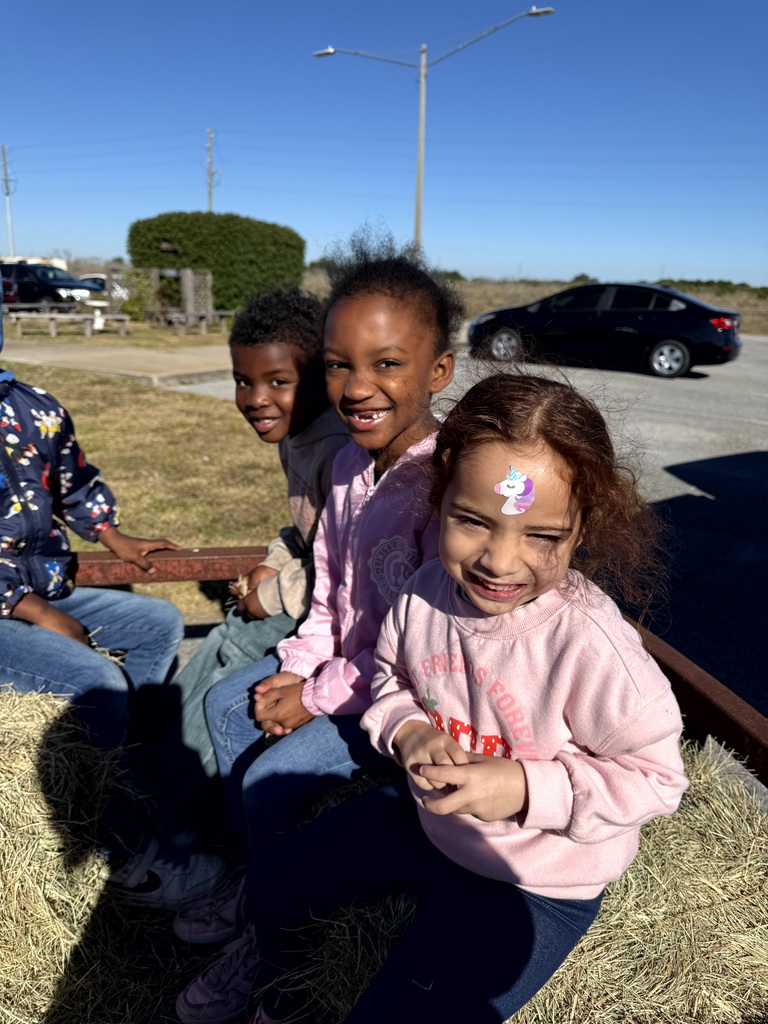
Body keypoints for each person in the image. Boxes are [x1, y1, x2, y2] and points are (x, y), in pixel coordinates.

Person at [208, 373, 688, 1024]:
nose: (500, 560)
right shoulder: (424, 591)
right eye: (472, 522)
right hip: (428, 824)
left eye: (541, 535)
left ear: (582, 529)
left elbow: (658, 780)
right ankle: (280, 990)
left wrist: (524, 789)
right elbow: (390, 679)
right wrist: (407, 731)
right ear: (439, 501)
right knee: (276, 879)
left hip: (536, 882)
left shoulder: (590, 646)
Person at [174, 237, 463, 1024]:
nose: (357, 388)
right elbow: (333, 596)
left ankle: (276, 953)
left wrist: (317, 694)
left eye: (386, 364)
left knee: (271, 777)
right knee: (234, 703)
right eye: (338, 364)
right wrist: (299, 666)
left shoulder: (447, 486)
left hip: (406, 702)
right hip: (344, 674)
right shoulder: (343, 469)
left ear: (439, 371)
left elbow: (426, 644)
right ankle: (258, 880)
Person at [0, 320, 226, 908]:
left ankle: (129, 779)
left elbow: (71, 481)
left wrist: (114, 537)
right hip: (10, 605)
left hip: (40, 583)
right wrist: (30, 611)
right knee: (96, 680)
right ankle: (116, 854)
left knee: (158, 625)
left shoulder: (35, 409)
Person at [169, 288, 350, 780]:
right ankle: (161, 744)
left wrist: (269, 596)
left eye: (278, 381)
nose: (255, 399)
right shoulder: (295, 437)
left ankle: (176, 789)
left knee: (242, 644)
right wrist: (274, 557)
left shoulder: (339, 455)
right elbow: (304, 532)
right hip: (305, 589)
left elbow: (346, 568)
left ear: (319, 377)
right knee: (231, 631)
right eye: (242, 382)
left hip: (334, 614)